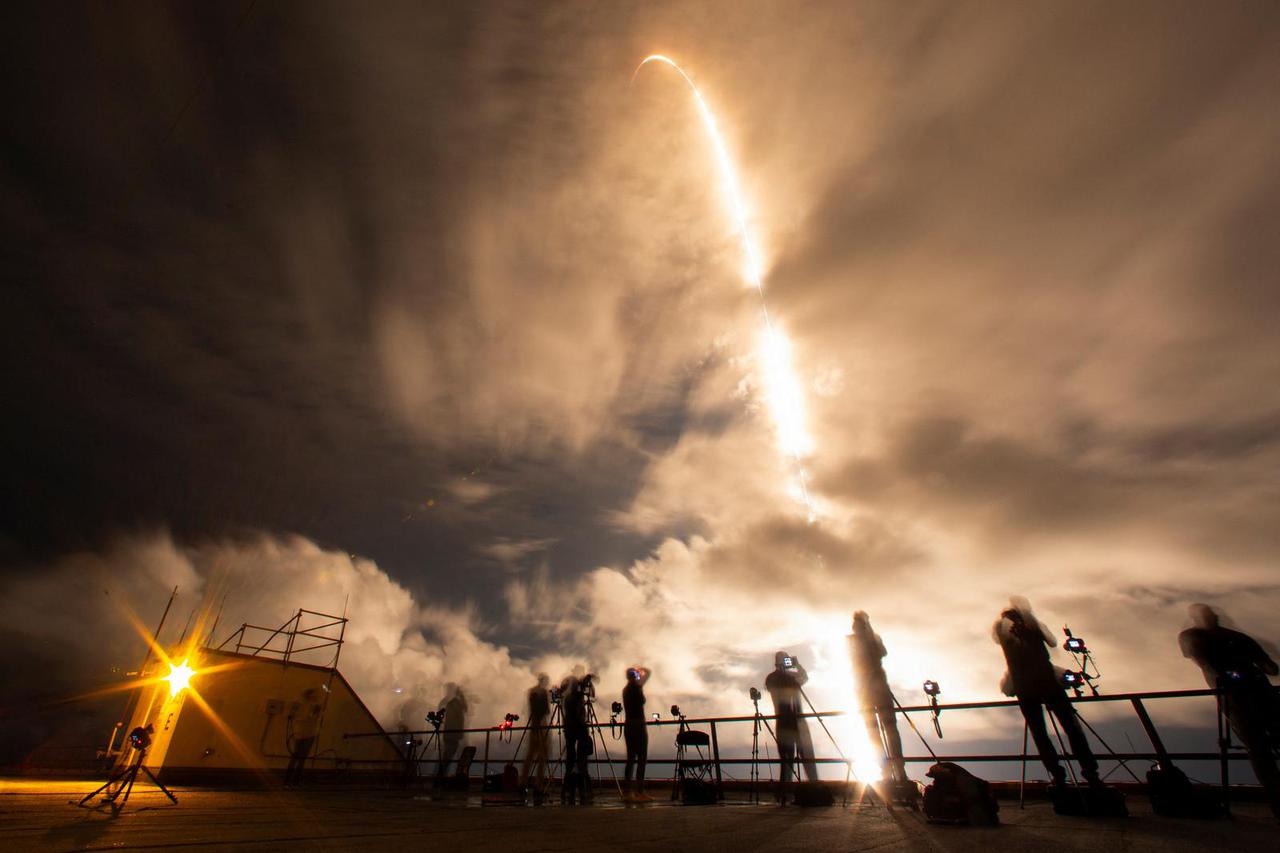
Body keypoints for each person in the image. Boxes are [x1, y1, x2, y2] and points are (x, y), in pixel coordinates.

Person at [1179, 603, 1280, 819]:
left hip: (1259, 694)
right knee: (1258, 748)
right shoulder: (1193, 637)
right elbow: (1204, 662)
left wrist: (1268, 665)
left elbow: (1268, 666)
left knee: (1262, 747)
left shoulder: (1237, 638)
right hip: (1236, 699)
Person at [993, 597, 1100, 787]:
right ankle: (1089, 772)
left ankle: (1059, 775)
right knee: (1069, 727)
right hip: (1045, 682)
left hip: (1026, 687)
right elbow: (1051, 642)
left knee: (1041, 732)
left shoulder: (1007, 633)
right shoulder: (1026, 629)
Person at [849, 611, 908, 787]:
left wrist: (870, 635)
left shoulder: (873, 638)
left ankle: (899, 767)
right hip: (864, 690)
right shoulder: (851, 641)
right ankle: (885, 769)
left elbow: (882, 652)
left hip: (877, 687)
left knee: (889, 728)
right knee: (874, 731)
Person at [765, 650, 819, 801]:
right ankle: (785, 794)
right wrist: (791, 670)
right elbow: (777, 686)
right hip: (785, 721)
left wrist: (797, 666)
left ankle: (815, 788)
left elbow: (804, 677)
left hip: (796, 720)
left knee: (807, 756)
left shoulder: (790, 677)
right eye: (784, 660)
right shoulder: (773, 678)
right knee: (787, 760)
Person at [561, 666, 593, 804]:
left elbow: (591, 694)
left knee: (573, 758)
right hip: (577, 727)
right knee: (579, 760)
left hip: (570, 727)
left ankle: (570, 789)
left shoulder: (571, 689)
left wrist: (587, 684)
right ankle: (581, 789)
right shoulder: (570, 686)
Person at [622, 666, 652, 800]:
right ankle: (640, 791)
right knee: (641, 757)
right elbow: (642, 701)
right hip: (638, 724)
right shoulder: (636, 687)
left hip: (628, 724)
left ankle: (627, 792)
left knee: (630, 758)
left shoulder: (625, 690)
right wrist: (641, 670)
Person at [520, 673, 551, 793]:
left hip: (533, 726)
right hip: (541, 727)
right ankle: (539, 785)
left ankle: (522, 782)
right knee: (542, 757)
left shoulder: (532, 692)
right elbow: (547, 711)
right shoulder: (543, 692)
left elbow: (532, 709)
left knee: (530, 756)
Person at [285, 687, 322, 786]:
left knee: (299, 758)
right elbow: (308, 718)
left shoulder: (311, 705)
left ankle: (292, 780)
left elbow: (310, 718)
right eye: (312, 694)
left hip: (305, 733)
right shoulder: (305, 705)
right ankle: (291, 780)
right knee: (298, 757)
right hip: (303, 733)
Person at [438, 683, 468, 779]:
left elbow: (465, 708)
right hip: (452, 735)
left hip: (452, 735)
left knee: (448, 757)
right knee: (447, 757)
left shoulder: (452, 703)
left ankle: (442, 777)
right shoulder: (452, 703)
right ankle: (441, 778)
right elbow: (464, 708)